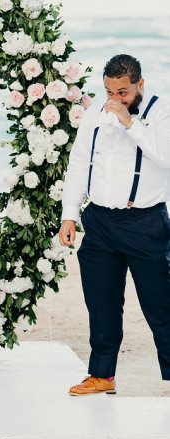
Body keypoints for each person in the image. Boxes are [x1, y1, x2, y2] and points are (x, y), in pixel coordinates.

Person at [59, 54, 170, 396]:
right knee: (102, 302)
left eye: (122, 92)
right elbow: (79, 162)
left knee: (160, 305)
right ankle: (102, 375)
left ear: (140, 84)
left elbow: (166, 156)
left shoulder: (162, 111)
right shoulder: (95, 112)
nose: (115, 98)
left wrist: (129, 123)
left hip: (145, 222)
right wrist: (69, 214)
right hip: (100, 221)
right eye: (109, 91)